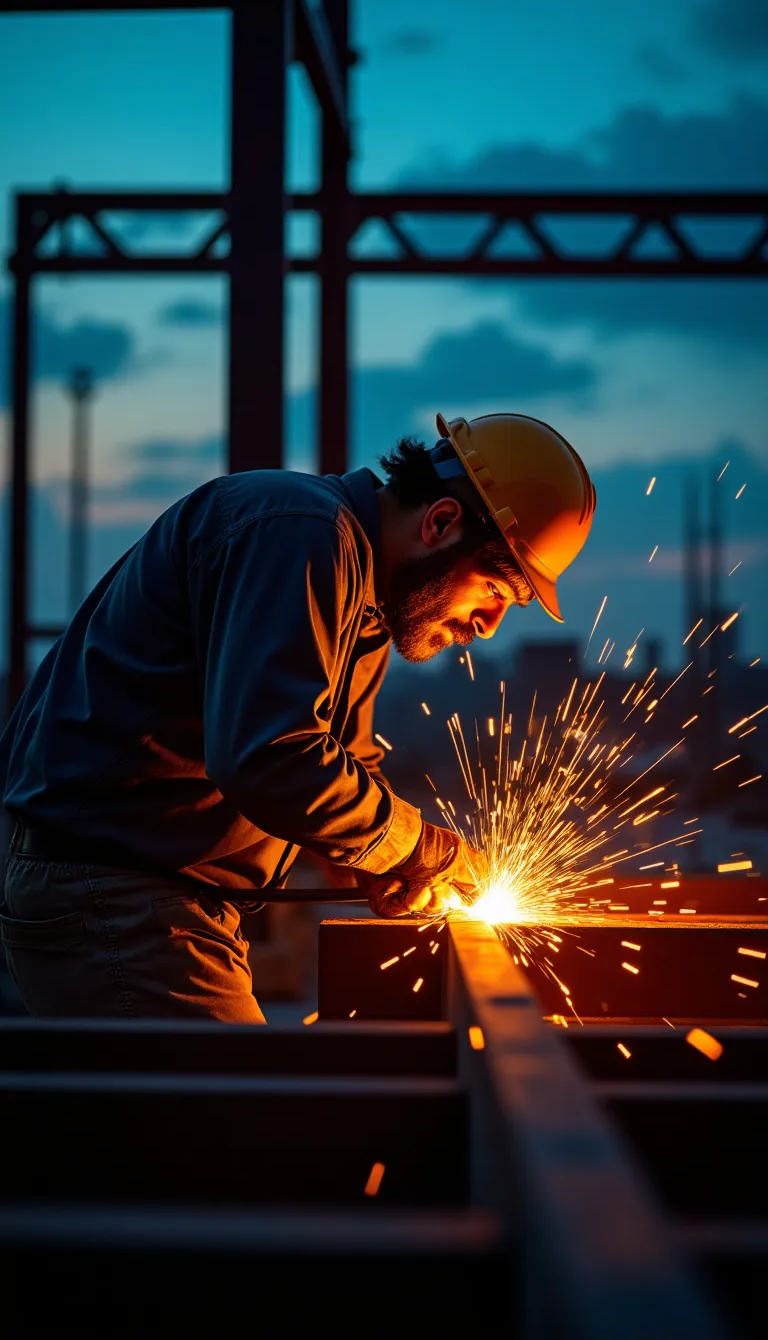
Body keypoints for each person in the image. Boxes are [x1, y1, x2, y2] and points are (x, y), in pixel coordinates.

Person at [0, 410, 596, 1022]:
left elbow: (342, 765)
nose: (487, 625)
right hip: (114, 897)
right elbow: (270, 755)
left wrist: (365, 862)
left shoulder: (367, 603)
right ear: (440, 523)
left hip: (158, 897)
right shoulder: (299, 534)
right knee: (246, 1114)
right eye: (495, 589)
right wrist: (419, 847)